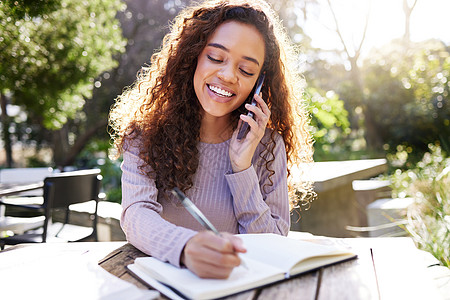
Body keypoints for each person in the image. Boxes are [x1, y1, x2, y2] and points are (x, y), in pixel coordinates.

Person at [108, 0, 314, 279]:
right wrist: (186, 248)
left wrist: (242, 169)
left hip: (239, 287)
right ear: (192, 57)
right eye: (216, 58)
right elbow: (136, 215)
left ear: (259, 84)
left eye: (246, 71)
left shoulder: (267, 145)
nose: (228, 75)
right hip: (164, 285)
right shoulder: (146, 133)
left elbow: (274, 241)